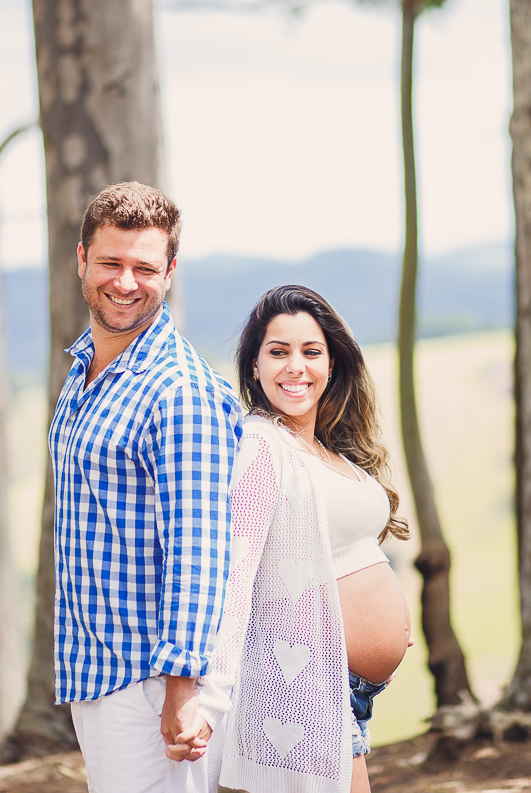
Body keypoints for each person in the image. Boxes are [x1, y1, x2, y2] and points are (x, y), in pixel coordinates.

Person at [183, 285, 413, 793]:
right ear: (254, 366)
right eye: (278, 352)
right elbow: (237, 576)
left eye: (311, 352)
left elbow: (351, 554)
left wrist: (394, 631)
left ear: (332, 364)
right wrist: (213, 697)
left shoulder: (328, 451)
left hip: (345, 686)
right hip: (302, 685)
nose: (296, 366)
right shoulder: (263, 446)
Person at [51, 182, 242, 793]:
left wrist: (182, 691)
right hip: (99, 670)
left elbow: (199, 548)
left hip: (154, 681)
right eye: (111, 263)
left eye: (144, 268)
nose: (125, 283)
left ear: (170, 272)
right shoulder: (85, 371)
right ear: (82, 259)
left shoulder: (177, 392)